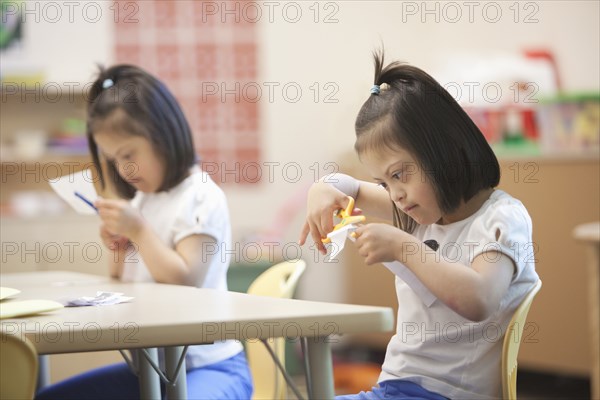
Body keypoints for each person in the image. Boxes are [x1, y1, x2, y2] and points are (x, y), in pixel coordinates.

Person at [299, 51, 540, 400]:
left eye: (399, 174)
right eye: (384, 183)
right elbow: (346, 185)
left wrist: (403, 247)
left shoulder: (501, 219)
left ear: (444, 150)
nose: (395, 195)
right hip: (398, 387)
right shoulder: (421, 211)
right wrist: (322, 189)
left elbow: (479, 299)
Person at [36, 65, 253, 399]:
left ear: (163, 135)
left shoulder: (201, 196)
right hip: (152, 370)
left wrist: (138, 231)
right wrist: (120, 245)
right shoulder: (145, 200)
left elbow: (186, 280)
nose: (124, 169)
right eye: (114, 160)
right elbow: (122, 283)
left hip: (211, 366)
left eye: (129, 155)